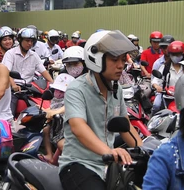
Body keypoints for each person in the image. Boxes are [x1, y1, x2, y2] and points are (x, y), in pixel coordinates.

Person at [59, 30, 142, 190]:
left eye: (123, 60)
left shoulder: (116, 89)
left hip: (109, 165)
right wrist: (109, 151)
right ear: (96, 59)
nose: (120, 65)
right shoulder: (77, 89)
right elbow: (78, 127)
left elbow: (125, 125)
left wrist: (145, 152)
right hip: (79, 164)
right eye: (114, 60)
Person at [42, 46, 86, 163]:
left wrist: (57, 111)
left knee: (62, 144)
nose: (72, 68)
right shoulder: (63, 74)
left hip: (84, 119)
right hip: (65, 118)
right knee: (46, 130)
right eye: (68, 64)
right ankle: (50, 156)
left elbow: (79, 101)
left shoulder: (89, 79)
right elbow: (55, 91)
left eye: (75, 63)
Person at [151, 41, 184, 115]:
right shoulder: (165, 67)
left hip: (183, 97)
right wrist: (157, 86)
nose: (176, 57)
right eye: (173, 54)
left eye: (178, 54)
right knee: (156, 106)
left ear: (183, 54)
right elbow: (156, 80)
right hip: (166, 96)